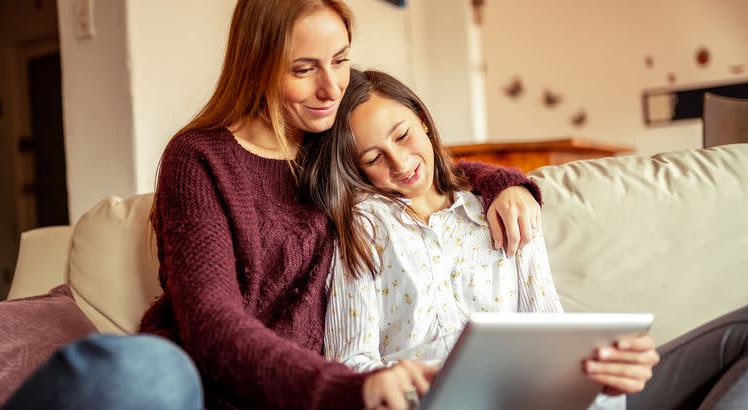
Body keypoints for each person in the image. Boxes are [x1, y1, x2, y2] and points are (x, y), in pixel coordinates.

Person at [135, 1, 543, 409]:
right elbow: (211, 324)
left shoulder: (329, 142)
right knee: (116, 369)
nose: (332, 89)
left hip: (319, 393)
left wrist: (507, 184)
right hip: (211, 384)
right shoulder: (200, 159)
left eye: (340, 60)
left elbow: (423, 171)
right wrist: (347, 388)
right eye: (304, 69)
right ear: (256, 66)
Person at [301, 68, 748, 410]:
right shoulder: (364, 228)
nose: (400, 163)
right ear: (355, 170)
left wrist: (600, 368)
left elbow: (548, 325)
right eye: (374, 157)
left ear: (422, 118)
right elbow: (350, 364)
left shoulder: (502, 206)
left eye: (403, 135)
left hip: (552, 398)